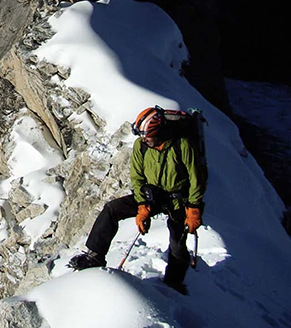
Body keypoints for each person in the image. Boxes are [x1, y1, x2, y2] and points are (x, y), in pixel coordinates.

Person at [68, 106, 207, 294]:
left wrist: (194, 208)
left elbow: (195, 179)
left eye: (147, 137)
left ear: (158, 132)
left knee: (177, 241)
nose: (144, 140)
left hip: (178, 200)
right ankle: (95, 255)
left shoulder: (182, 145)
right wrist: (143, 205)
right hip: (153, 197)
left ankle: (174, 283)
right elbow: (137, 177)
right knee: (112, 209)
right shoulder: (141, 146)